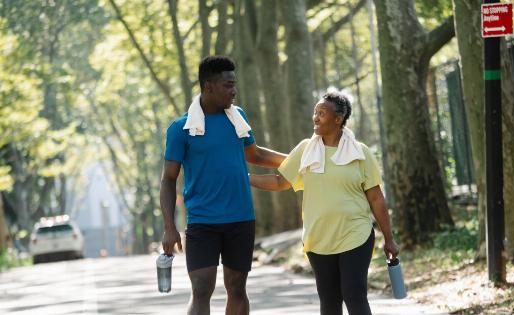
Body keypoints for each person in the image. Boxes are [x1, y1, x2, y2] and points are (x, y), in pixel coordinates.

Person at [249, 91, 400, 315]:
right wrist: (245, 179)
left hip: (355, 235)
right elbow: (281, 182)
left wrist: (389, 239)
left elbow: (376, 198)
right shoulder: (305, 149)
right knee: (329, 302)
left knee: (355, 295)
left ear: (338, 119)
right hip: (318, 239)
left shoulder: (360, 153)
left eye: (322, 113)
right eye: (315, 112)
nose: (315, 118)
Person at [160, 55, 286, 315]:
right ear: (209, 87)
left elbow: (256, 155)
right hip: (202, 222)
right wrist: (169, 227)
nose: (234, 90)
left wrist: (298, 161)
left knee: (237, 289)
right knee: (202, 288)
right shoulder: (181, 128)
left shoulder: (237, 117)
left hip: (241, 218)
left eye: (234, 84)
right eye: (228, 85)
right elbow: (168, 179)